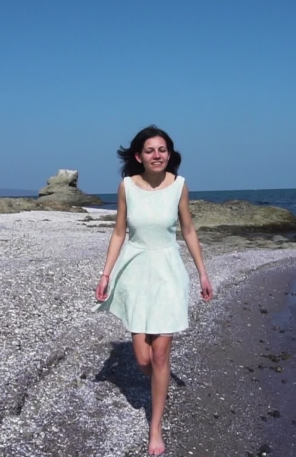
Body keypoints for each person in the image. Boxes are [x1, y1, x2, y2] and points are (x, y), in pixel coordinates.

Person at [94, 125, 213, 455]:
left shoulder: (179, 186)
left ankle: (155, 428)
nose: (157, 155)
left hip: (168, 272)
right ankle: (161, 379)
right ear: (139, 156)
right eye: (150, 150)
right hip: (135, 272)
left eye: (162, 150)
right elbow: (119, 233)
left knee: (160, 354)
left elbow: (188, 230)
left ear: (170, 154)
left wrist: (203, 273)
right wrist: (105, 275)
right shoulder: (127, 187)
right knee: (143, 357)